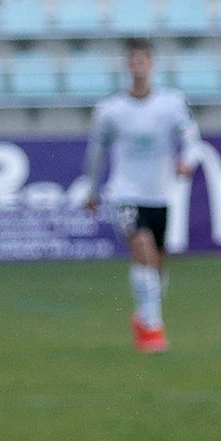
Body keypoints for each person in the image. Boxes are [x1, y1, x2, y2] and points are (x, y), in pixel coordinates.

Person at [84, 39, 198, 353]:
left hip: (159, 193)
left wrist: (187, 160)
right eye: (133, 61)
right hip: (125, 192)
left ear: (151, 65)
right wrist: (91, 190)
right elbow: (96, 152)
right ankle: (152, 329)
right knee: (144, 252)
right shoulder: (110, 110)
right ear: (127, 66)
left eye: (144, 61)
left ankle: (144, 315)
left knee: (158, 265)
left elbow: (191, 138)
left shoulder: (171, 103)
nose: (139, 67)